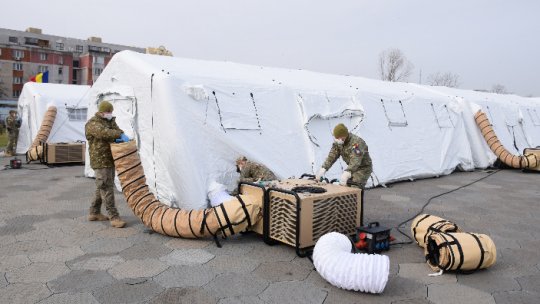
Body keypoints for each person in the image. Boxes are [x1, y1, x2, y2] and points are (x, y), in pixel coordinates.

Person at [85, 101, 130, 228]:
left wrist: (120, 134)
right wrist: (118, 135)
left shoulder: (110, 121)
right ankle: (114, 217)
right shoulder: (93, 123)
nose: (110, 114)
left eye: (111, 112)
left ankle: (94, 212)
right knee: (106, 187)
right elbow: (104, 133)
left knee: (102, 186)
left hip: (110, 158)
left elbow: (116, 130)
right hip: (100, 160)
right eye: (108, 112)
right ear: (101, 111)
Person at [316, 123, 373, 189]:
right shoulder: (339, 143)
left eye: (340, 137)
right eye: (336, 137)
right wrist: (324, 168)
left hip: (363, 168)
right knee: (346, 187)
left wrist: (348, 172)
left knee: (354, 188)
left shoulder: (356, 143)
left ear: (345, 135)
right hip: (352, 168)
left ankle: (357, 198)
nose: (338, 139)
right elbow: (332, 156)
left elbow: (356, 159)